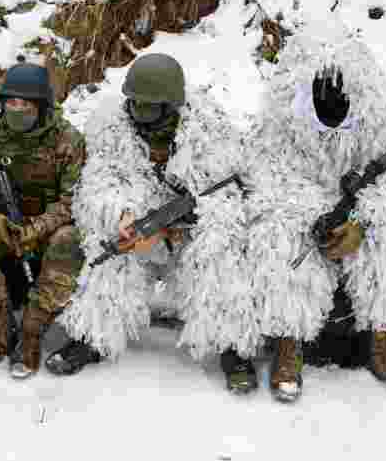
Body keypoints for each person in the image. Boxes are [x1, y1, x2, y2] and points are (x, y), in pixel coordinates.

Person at [239, 32, 386, 403]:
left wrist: (360, 222)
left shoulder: (379, 124)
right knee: (277, 230)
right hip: (306, 217)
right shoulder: (281, 124)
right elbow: (269, 183)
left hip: (358, 215)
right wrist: (316, 219)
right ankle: (289, 345)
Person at [52, 54, 252, 390]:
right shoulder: (112, 130)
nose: (138, 114)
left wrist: (178, 230)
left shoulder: (209, 133)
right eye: (134, 104)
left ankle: (232, 347)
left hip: (193, 235)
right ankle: (93, 337)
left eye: (149, 108)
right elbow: (99, 184)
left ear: (171, 106)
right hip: (143, 231)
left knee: (221, 253)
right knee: (110, 251)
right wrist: (122, 215)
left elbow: (229, 196)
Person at [0, 63, 86, 379]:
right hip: (5, 228)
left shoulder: (67, 140)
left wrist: (35, 228)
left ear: (42, 105)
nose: (17, 110)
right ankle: (0, 325)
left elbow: (73, 201)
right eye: (11, 103)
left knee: (70, 238)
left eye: (26, 104)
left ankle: (32, 329)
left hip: (48, 229)